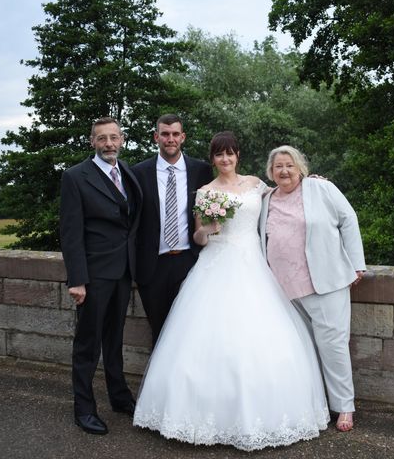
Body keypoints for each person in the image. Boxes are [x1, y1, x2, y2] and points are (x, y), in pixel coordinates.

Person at [133, 132, 329, 451]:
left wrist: (310, 181)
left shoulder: (255, 184)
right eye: (219, 155)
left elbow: (285, 191)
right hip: (215, 264)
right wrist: (208, 229)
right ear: (213, 159)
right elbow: (198, 236)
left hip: (253, 265)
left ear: (238, 155)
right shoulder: (206, 192)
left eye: (230, 154)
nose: (225, 160)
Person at [258, 145, 366, 433]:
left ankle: (344, 406)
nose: (284, 171)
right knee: (301, 351)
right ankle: (314, 405)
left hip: (324, 282)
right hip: (283, 289)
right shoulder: (266, 199)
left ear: (300, 167)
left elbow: (348, 220)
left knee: (332, 345)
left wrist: (357, 264)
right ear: (270, 172)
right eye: (278, 166)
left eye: (289, 165)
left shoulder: (321, 188)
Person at [60, 117, 143, 435]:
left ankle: (119, 397)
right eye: (102, 138)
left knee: (114, 340)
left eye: (114, 137)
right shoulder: (75, 176)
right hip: (93, 275)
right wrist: (77, 279)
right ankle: (84, 409)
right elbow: (70, 233)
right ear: (92, 141)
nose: (109, 143)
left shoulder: (128, 172)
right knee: (87, 344)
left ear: (122, 140)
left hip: (123, 272)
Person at [132, 114, 213, 344]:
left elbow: (227, 187)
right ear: (156, 137)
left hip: (189, 261)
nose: (170, 139)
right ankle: (160, 381)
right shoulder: (139, 172)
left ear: (183, 137)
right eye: (165, 134)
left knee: (188, 331)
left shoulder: (201, 171)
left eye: (175, 134)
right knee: (159, 332)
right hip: (152, 265)